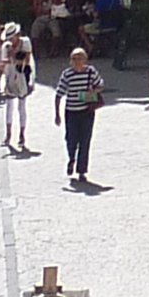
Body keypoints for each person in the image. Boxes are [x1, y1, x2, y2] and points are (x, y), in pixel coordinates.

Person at [57, 38, 104, 187]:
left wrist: (92, 92)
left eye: (80, 58)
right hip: (71, 111)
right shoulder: (67, 74)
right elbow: (59, 94)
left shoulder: (91, 72)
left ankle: (82, 170)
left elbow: (100, 85)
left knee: (85, 141)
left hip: (86, 112)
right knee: (70, 140)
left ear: (85, 59)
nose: (78, 61)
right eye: (75, 58)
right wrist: (57, 114)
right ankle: (71, 158)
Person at [0, 23, 36, 155]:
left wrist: (12, 56)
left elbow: (26, 59)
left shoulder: (25, 43)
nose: (10, 40)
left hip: (22, 76)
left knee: (21, 107)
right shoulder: (6, 47)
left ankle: (22, 134)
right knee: (9, 106)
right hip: (10, 76)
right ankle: (8, 134)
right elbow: (5, 63)